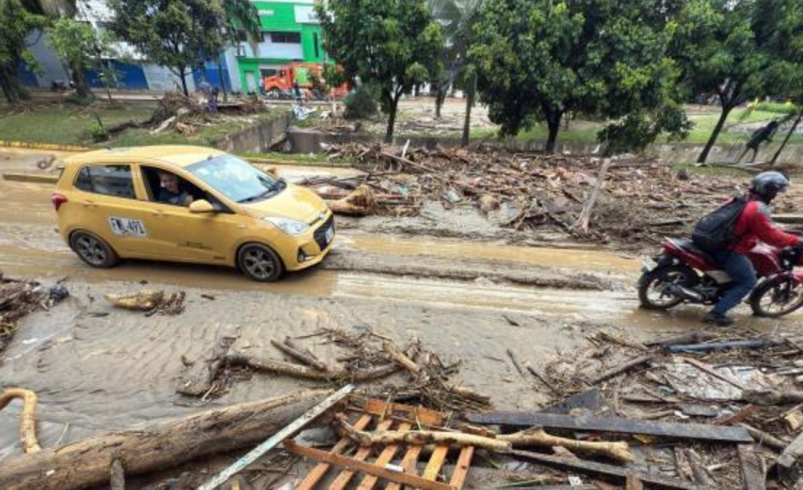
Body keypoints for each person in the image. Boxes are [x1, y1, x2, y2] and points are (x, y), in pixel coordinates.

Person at [704, 171, 802, 326]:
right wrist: (796, 240)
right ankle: (716, 314)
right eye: (775, 191)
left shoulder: (739, 199)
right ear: (769, 191)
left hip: (711, 241)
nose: (776, 195)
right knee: (747, 282)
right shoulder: (757, 208)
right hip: (728, 250)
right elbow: (771, 237)